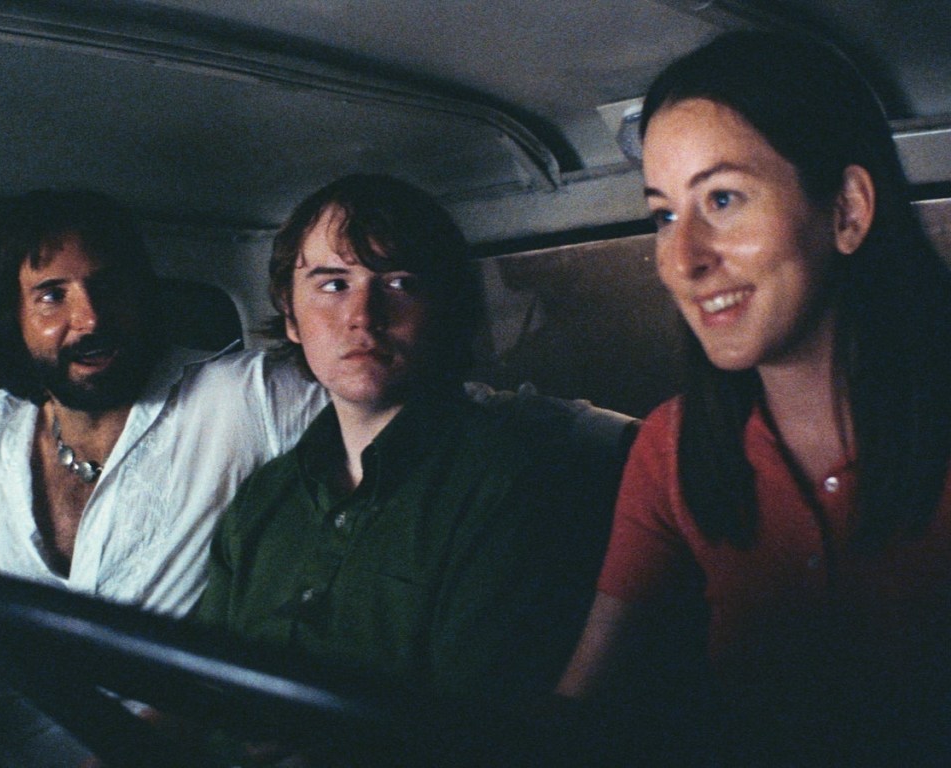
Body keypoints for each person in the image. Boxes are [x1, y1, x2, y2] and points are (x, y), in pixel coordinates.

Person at [556, 30, 951, 764]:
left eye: (723, 199)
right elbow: (580, 707)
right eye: (664, 214)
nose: (682, 259)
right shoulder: (671, 449)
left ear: (847, 212)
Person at [193, 174, 612, 736]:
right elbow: (203, 685)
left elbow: (474, 729)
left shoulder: (509, 483)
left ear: (447, 311)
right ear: (290, 318)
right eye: (333, 284)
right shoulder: (264, 497)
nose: (363, 315)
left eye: (399, 283)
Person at [0, 189, 329, 767]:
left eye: (109, 286)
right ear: (13, 317)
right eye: (52, 296)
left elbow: (409, 417)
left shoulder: (245, 398)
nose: (90, 319)